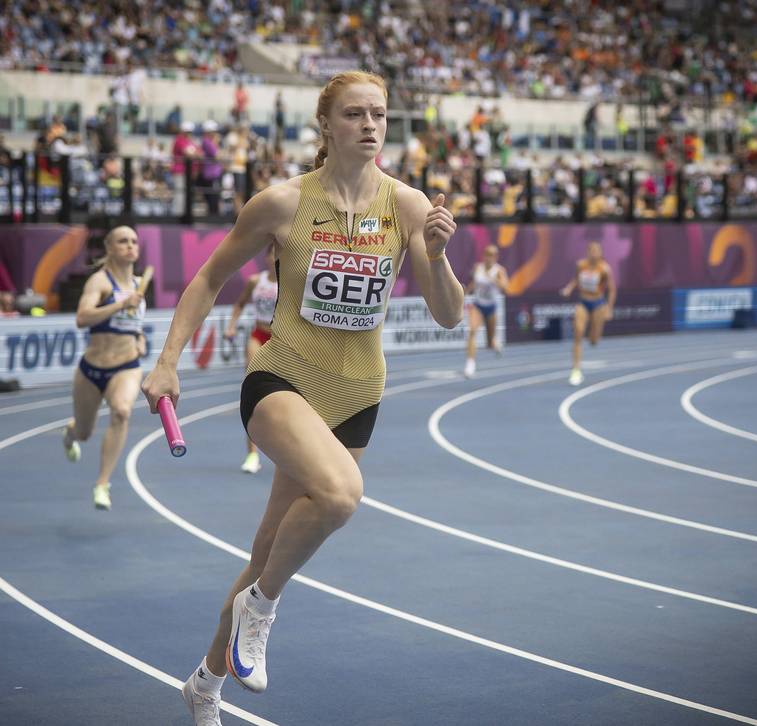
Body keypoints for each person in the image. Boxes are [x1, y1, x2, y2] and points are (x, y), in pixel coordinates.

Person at [142, 70, 462, 726]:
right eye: (354, 114)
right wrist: (167, 360)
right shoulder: (281, 203)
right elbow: (208, 278)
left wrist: (438, 256)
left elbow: (447, 315)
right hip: (283, 378)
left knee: (266, 550)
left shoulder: (406, 205)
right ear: (325, 124)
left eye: (379, 114)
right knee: (342, 496)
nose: (370, 125)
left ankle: (205, 683)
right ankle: (260, 609)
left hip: (358, 394)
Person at [60, 225, 148, 511]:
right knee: (85, 432)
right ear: (110, 247)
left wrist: (140, 338)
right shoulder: (100, 282)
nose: (130, 246)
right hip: (92, 368)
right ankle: (71, 433)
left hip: (126, 366)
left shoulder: (138, 285)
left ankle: (102, 483)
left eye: (134, 241)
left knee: (122, 411)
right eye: (123, 241)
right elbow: (82, 318)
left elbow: (134, 325)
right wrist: (120, 305)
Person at [224, 244, 279, 474]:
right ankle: (252, 454)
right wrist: (231, 326)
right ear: (266, 257)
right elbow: (239, 304)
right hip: (258, 335)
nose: (277, 256)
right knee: (253, 391)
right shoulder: (256, 281)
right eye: (273, 252)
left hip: (281, 339)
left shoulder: (294, 281)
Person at [560, 241, 615, 386]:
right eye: (591, 250)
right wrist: (569, 288)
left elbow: (612, 289)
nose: (594, 253)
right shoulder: (581, 265)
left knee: (593, 341)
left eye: (597, 251)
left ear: (600, 253)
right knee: (578, 332)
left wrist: (609, 308)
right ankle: (576, 370)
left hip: (598, 304)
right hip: (583, 302)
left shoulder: (604, 269)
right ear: (588, 252)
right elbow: (576, 280)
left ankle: (593, 333)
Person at [463, 244, 507, 377]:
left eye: (492, 255)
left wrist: (493, 278)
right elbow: (474, 283)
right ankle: (470, 364)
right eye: (487, 254)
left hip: (491, 307)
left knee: (489, 343)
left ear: (496, 257)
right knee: (472, 331)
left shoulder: (499, 270)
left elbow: (505, 287)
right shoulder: (478, 268)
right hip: (478, 305)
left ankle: (495, 343)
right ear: (483, 256)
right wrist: (465, 293)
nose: (489, 258)